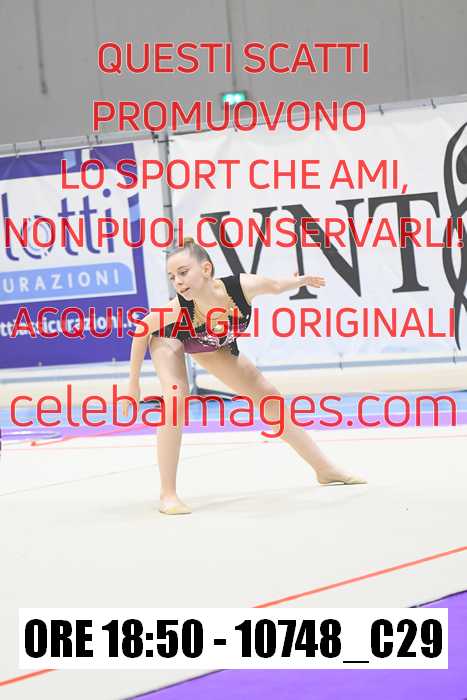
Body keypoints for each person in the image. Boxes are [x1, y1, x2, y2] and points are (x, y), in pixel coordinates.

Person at [124, 238, 367, 515]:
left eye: (183, 272)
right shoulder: (178, 308)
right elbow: (142, 329)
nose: (177, 282)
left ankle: (324, 469)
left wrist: (299, 281)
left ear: (206, 269)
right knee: (176, 397)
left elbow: (275, 286)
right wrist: (133, 384)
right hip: (169, 339)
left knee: (268, 396)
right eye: (172, 277)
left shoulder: (241, 287)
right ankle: (168, 494)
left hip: (210, 342)